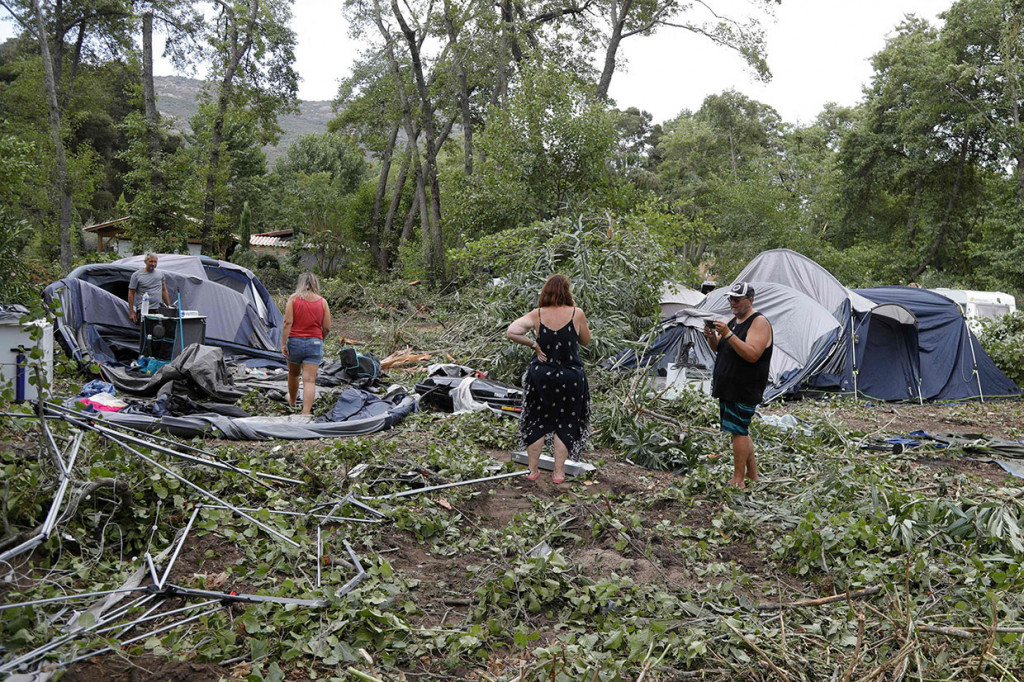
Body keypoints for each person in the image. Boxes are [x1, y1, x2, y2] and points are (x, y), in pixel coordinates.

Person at [506, 274, 592, 484]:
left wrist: (534, 344)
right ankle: (559, 473)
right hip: (570, 377)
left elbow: (512, 331)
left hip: (542, 375)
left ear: (546, 292)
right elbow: (586, 341)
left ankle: (532, 470)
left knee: (537, 419)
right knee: (566, 421)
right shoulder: (577, 313)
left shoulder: (537, 314)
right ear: (567, 292)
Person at [703, 281, 773, 489]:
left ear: (750, 300)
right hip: (728, 386)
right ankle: (752, 475)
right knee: (739, 429)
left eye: (737, 299)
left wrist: (727, 333)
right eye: (731, 299)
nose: (733, 303)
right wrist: (712, 338)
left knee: (739, 431)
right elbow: (721, 348)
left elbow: (752, 354)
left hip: (744, 387)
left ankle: (738, 480)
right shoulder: (734, 320)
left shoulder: (759, 322)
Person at [281, 273, 331, 415]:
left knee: (293, 374)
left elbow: (287, 323)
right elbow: (327, 327)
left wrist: (283, 343)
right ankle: (306, 412)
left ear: (301, 283)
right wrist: (320, 339)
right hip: (314, 343)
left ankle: (292, 400)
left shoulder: (293, 299)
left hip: (295, 342)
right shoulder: (323, 302)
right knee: (309, 380)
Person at [128, 253, 171, 324]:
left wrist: (168, 306)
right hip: (143, 310)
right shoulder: (137, 275)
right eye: (151, 261)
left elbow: (164, 290)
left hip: (158, 309)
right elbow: (131, 293)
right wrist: (131, 312)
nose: (153, 264)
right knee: (145, 330)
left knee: (158, 329)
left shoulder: (160, 274)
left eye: (155, 262)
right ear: (145, 262)